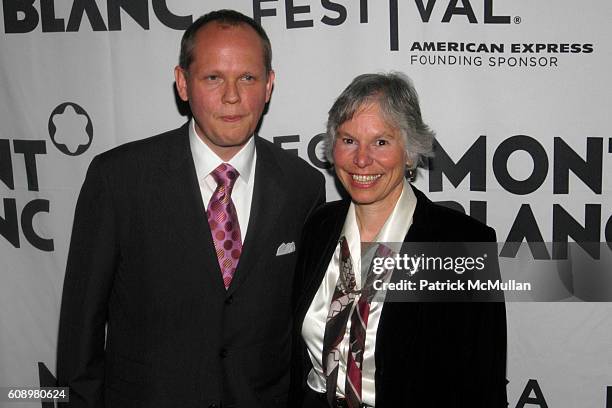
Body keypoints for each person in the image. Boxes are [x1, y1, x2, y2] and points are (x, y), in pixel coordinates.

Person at [56, 9, 325, 408]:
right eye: (213, 77)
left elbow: (304, 327)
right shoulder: (119, 180)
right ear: (183, 83)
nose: (232, 96)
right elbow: (81, 333)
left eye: (247, 78)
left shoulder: (303, 185)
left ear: (268, 85)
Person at [291, 73, 506, 407]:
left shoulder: (459, 244)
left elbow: (483, 382)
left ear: (409, 152)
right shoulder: (318, 227)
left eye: (381, 142)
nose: (362, 159)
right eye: (349, 140)